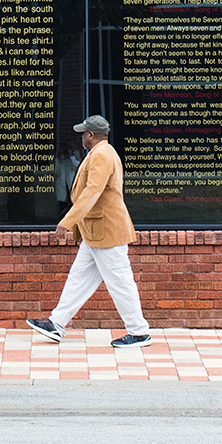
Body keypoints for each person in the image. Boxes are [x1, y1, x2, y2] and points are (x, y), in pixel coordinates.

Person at [26, 115, 152, 347]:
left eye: (84, 133)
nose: (82, 136)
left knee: (120, 282)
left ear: (91, 135)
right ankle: (57, 323)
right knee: (78, 279)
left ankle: (139, 332)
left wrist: (67, 221)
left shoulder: (102, 155)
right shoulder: (100, 153)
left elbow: (92, 192)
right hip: (95, 233)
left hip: (107, 232)